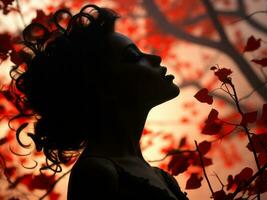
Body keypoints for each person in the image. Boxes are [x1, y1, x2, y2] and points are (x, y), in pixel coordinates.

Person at [11, 4, 188, 200]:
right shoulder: (96, 173)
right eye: (133, 56)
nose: (155, 58)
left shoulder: (162, 177)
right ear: (102, 86)